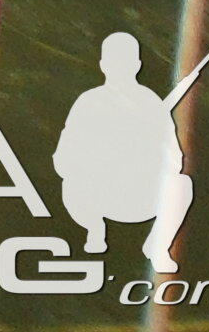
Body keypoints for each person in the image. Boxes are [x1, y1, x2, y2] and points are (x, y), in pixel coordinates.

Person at [59, 31, 193, 273]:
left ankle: (158, 246)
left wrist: (147, 156)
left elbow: (176, 158)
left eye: (126, 61)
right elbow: (64, 158)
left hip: (139, 195)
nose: (120, 68)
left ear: (137, 65)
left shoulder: (151, 104)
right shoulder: (88, 103)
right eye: (113, 61)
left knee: (182, 185)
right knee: (72, 185)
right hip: (97, 194)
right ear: (103, 65)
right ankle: (95, 230)